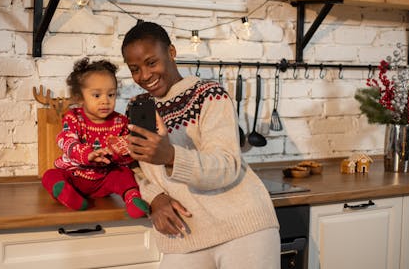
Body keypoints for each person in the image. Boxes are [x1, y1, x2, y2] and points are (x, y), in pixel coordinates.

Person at [121, 22, 280, 268]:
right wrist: (156, 198)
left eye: (151, 63)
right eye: (135, 69)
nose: (144, 75)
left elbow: (227, 166)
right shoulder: (137, 107)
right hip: (184, 232)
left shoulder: (209, 94)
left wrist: (171, 156)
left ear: (171, 53)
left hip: (242, 228)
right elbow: (136, 169)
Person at [41, 57, 149, 219]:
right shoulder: (73, 118)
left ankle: (132, 198)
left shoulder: (120, 122)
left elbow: (128, 152)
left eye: (111, 94)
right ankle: (67, 194)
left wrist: (115, 152)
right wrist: (87, 154)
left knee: (124, 175)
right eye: (97, 95)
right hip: (76, 175)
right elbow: (66, 140)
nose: (105, 101)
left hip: (105, 178)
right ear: (79, 97)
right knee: (50, 175)